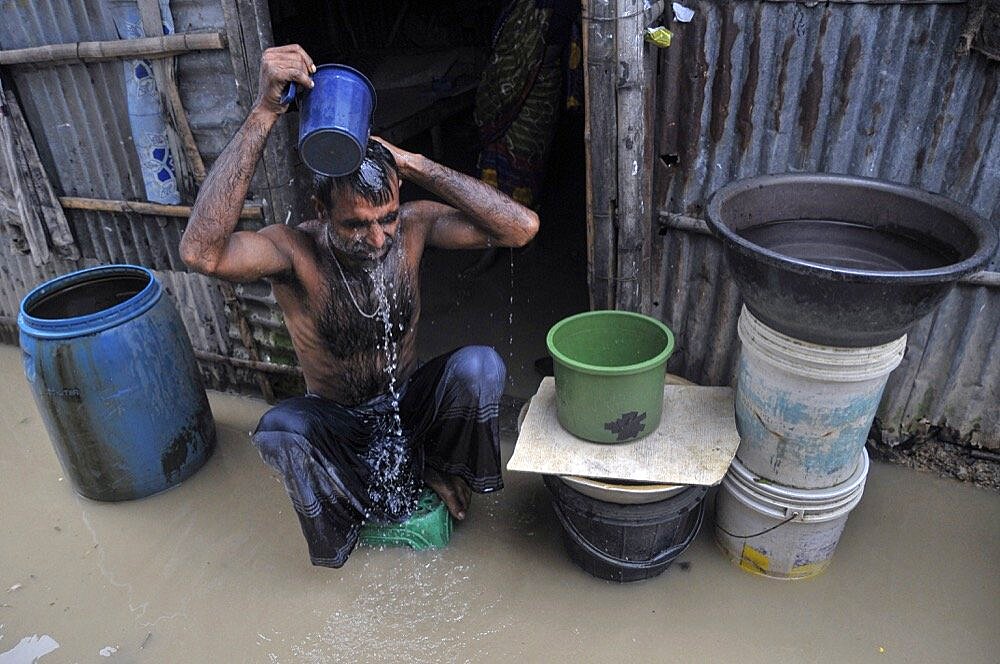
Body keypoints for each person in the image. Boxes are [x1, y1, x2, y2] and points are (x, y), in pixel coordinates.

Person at [180, 45, 539, 568]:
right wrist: (263, 112)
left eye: (386, 218)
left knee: (479, 366)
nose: (377, 239)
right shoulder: (293, 251)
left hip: (407, 414)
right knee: (281, 428)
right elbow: (201, 253)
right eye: (355, 225)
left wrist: (413, 163)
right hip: (340, 427)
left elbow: (521, 229)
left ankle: (439, 470)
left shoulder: (413, 226)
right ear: (320, 210)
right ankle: (345, 524)